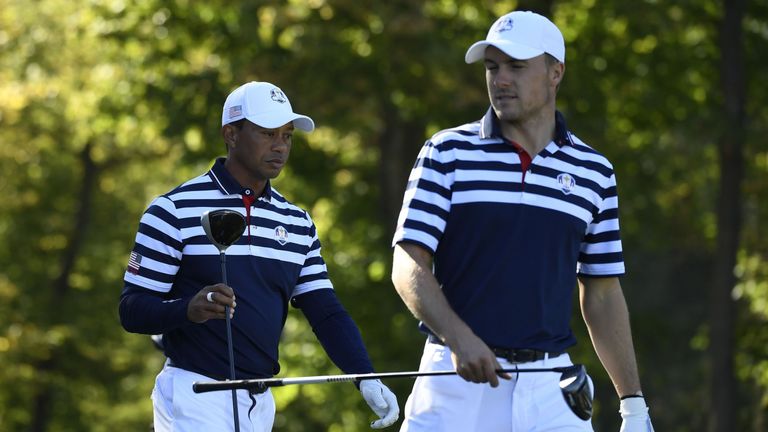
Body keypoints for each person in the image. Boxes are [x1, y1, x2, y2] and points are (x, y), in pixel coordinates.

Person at [391, 11, 654, 432]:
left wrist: (633, 405)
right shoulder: (446, 153)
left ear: (555, 73)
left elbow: (602, 293)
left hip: (553, 387)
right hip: (455, 382)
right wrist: (461, 340)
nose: (501, 79)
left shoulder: (594, 172)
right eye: (492, 67)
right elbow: (408, 265)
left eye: (516, 66)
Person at [120, 81, 399, 431]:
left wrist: (364, 375)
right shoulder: (172, 210)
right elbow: (131, 310)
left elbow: (325, 311)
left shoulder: (296, 222)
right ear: (231, 134)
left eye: (287, 136)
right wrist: (187, 309)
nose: (280, 146)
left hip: (260, 401)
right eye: (268, 134)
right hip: (194, 392)